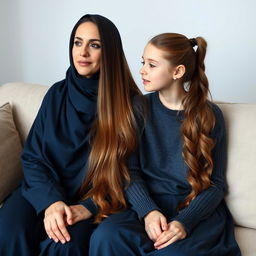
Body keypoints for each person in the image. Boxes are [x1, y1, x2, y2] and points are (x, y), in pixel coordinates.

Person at [0, 14, 142, 255]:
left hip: (91, 200)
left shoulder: (130, 106)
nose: (83, 52)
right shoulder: (57, 94)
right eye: (78, 42)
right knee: (7, 232)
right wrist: (51, 202)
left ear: (109, 53)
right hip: (43, 189)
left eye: (94, 45)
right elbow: (33, 157)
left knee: (64, 246)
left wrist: (89, 207)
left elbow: (128, 174)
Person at [89, 33, 241, 255]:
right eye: (143, 62)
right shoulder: (138, 108)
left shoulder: (209, 115)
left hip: (193, 212)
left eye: (151, 65)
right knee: (106, 236)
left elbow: (216, 184)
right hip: (148, 205)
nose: (142, 70)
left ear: (177, 71)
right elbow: (128, 171)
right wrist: (148, 211)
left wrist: (184, 223)